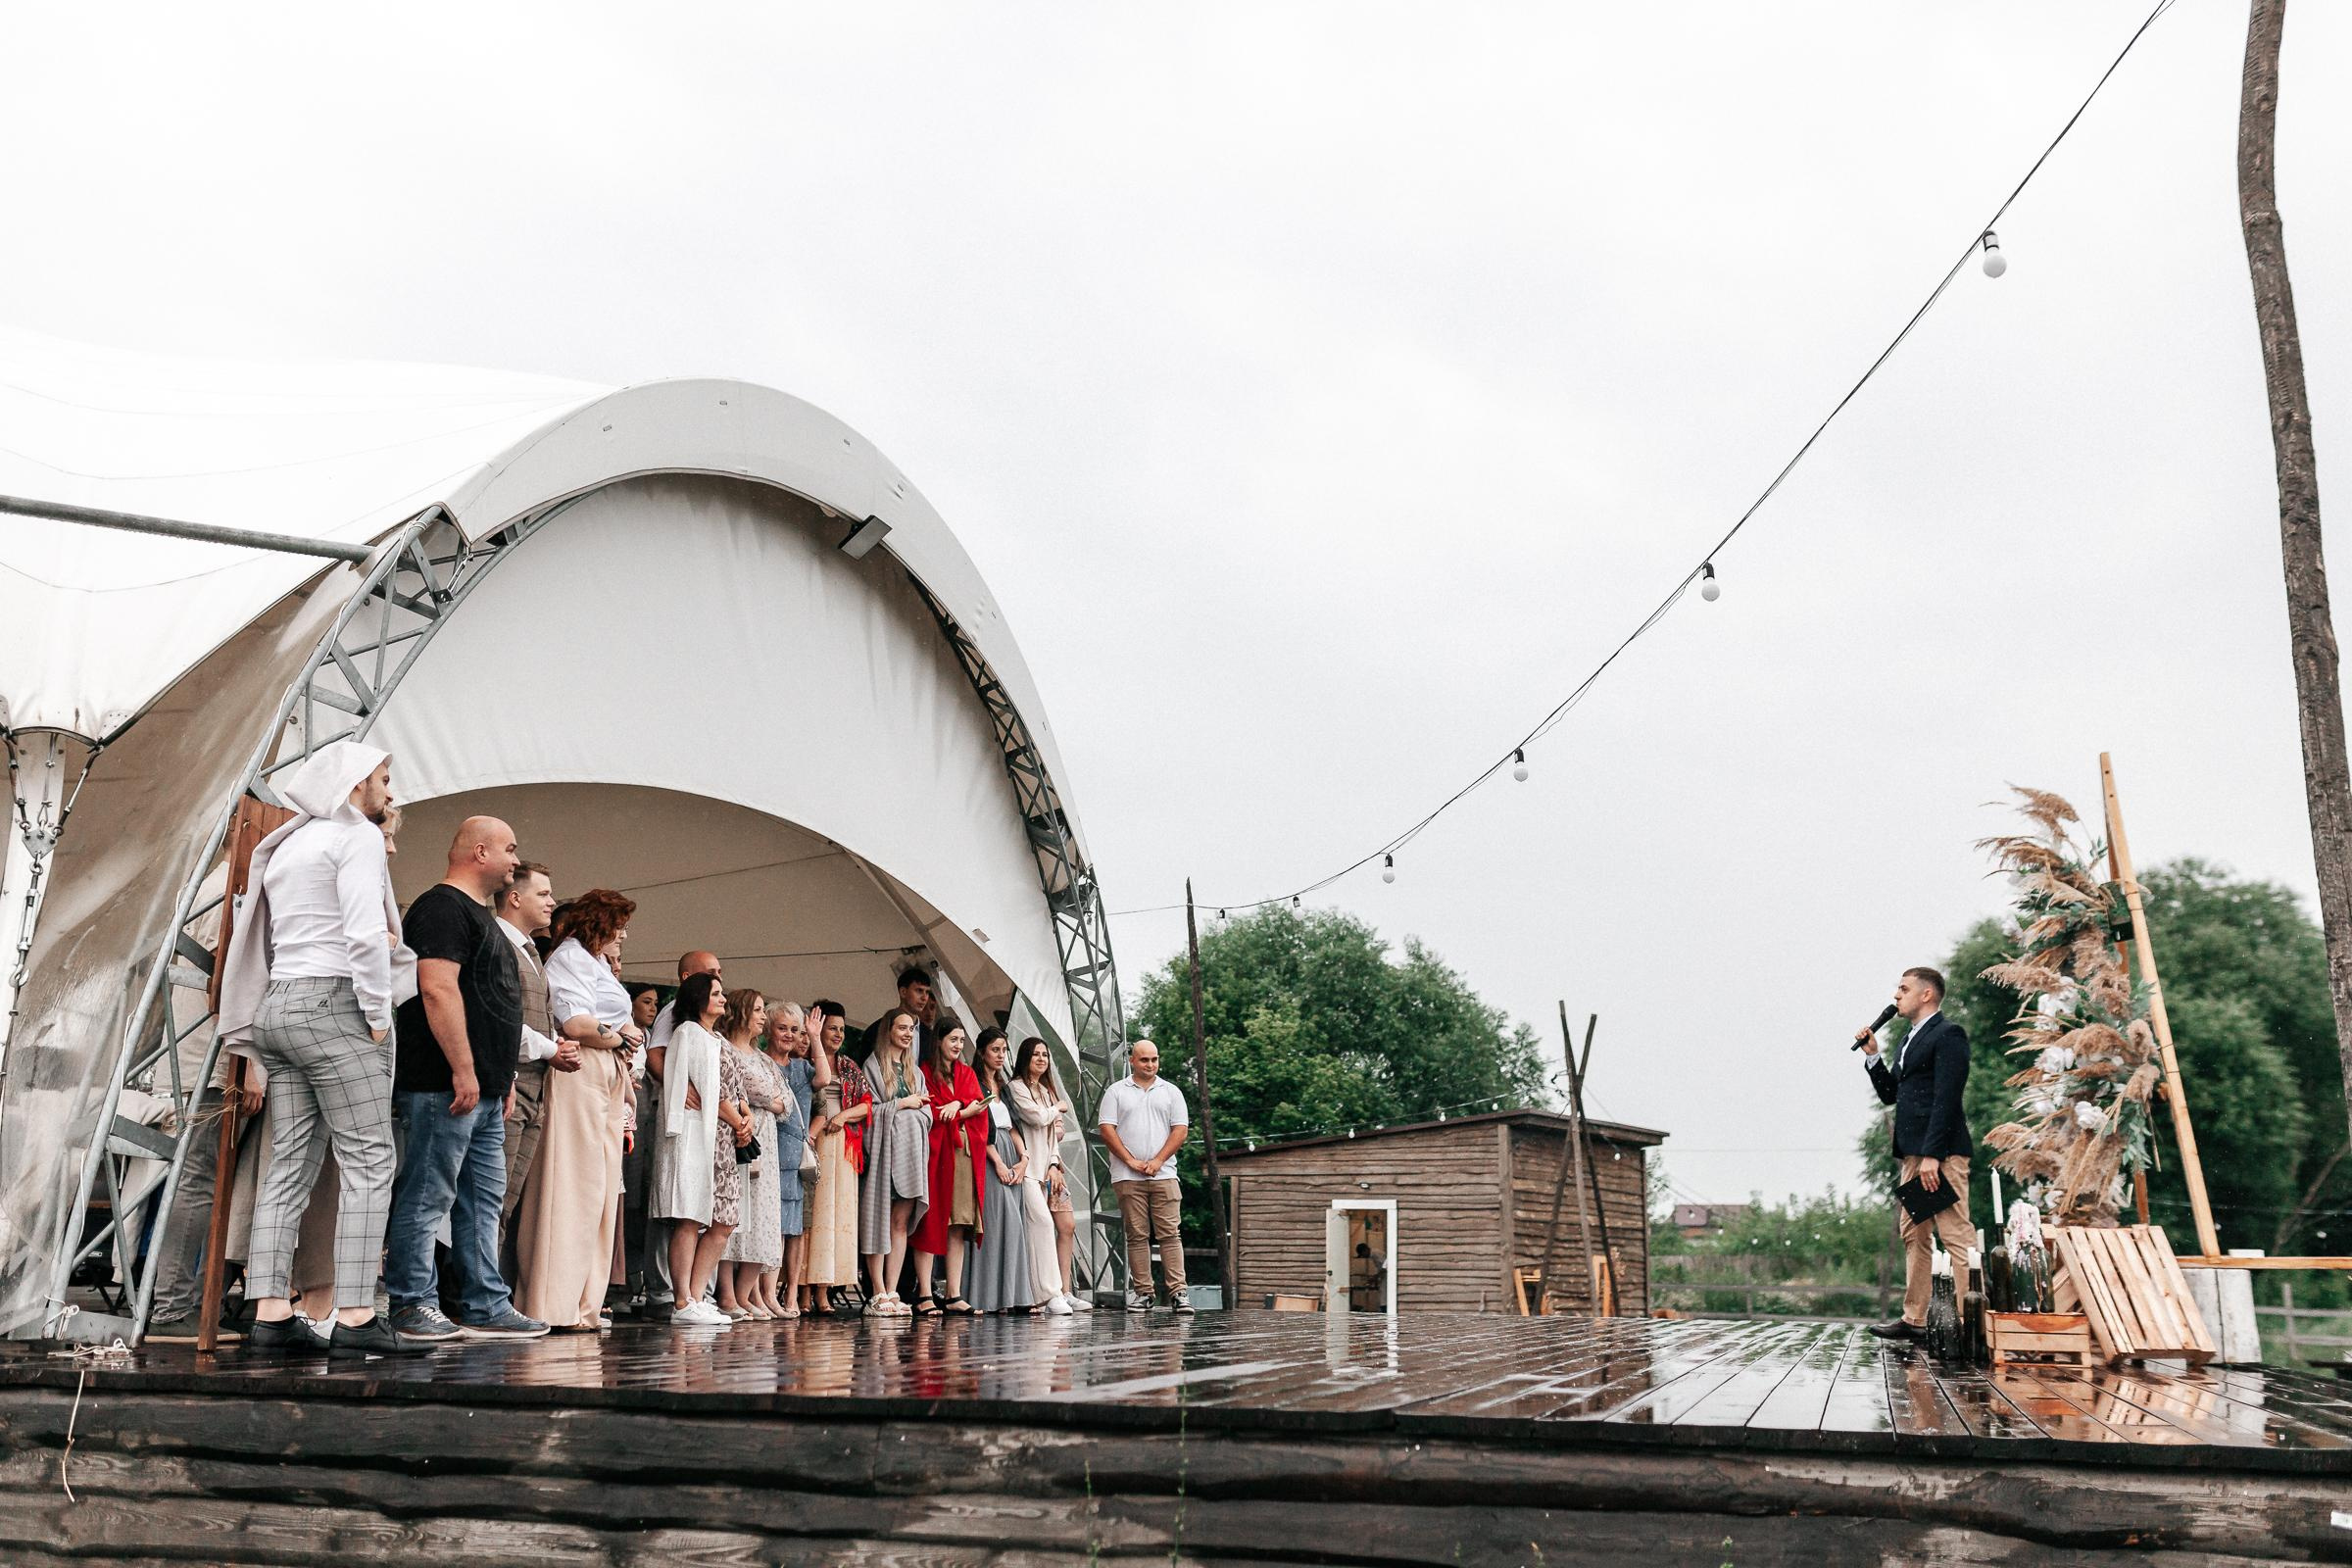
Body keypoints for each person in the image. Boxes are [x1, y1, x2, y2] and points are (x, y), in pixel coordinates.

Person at [215, 741, 425, 1357]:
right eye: (384, 778)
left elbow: (292, 928)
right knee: (369, 1162)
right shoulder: (354, 836)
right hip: (337, 1002)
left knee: (290, 1164)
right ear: (356, 783)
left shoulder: (287, 843)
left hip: (279, 1004)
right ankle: (358, 1316)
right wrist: (376, 1013)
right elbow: (361, 931)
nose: (390, 790)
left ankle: (271, 1313)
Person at [383, 817, 547, 1343]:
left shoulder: (479, 917)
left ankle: (483, 1302)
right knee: (429, 1193)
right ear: (480, 852)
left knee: (482, 1201)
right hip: (442, 1084)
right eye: (510, 849)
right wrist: (463, 1070)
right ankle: (411, 1302)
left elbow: (486, 1003)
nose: (515, 860)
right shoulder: (441, 907)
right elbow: (436, 990)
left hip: (481, 1088)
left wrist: (493, 1083)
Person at [522, 887, 643, 1331]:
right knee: (573, 1183)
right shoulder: (569, 958)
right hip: (581, 1069)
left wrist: (619, 1039)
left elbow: (613, 1022)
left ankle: (585, 1303)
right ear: (599, 924)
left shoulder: (593, 964)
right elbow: (576, 1023)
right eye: (618, 927)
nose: (623, 937)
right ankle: (554, 1301)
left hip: (606, 1071)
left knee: (601, 1188)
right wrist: (620, 1037)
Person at [1859, 966, 1976, 1343]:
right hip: (1913, 1153)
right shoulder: (1908, 1040)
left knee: (1956, 1233)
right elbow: (1893, 1095)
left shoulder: (1948, 1034)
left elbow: (1947, 1097)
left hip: (1940, 1154)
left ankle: (1970, 1322)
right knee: (1914, 1233)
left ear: (1927, 994)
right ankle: (1916, 1319)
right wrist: (1874, 1057)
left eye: (1903, 988)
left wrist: (1933, 1155)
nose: (1896, 995)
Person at [495, 863, 584, 1266]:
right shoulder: (499, 943)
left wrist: (555, 1043)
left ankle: (486, 1293)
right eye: (543, 894)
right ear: (515, 898)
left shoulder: (531, 952)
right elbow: (502, 1018)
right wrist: (552, 1048)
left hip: (536, 1090)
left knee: (507, 1198)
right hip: (509, 1085)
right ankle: (469, 1300)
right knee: (490, 1196)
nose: (552, 902)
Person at [656, 972, 749, 1327]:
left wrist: (743, 1118)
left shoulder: (718, 1039)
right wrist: (736, 1118)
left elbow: (731, 1086)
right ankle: (682, 1299)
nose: (723, 1000)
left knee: (718, 1220)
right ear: (699, 999)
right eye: (716, 994)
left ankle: (697, 1295)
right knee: (690, 1216)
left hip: (721, 1139)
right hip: (696, 1137)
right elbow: (698, 1092)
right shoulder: (688, 1033)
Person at [639, 950, 721, 1318]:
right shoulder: (682, 1026)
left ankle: (692, 1295)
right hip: (683, 1130)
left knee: (695, 1215)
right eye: (713, 982)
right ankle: (679, 1297)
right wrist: (676, 1086)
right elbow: (662, 1059)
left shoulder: (711, 1037)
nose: (722, 992)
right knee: (682, 1213)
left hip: (703, 1131)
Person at [1098, 1040, 1191, 1313]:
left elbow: (1180, 1130)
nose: (1150, 1065)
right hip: (1128, 1175)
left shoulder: (1171, 1091)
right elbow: (1107, 1129)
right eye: (1144, 1060)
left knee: (1170, 1234)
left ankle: (1178, 1292)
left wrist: (1158, 1161)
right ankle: (1144, 1293)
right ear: (1132, 1061)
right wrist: (1130, 1161)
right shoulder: (1116, 1092)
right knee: (1137, 1235)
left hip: (1164, 1174)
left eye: (1154, 1059)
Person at [963, 1027, 1045, 1314]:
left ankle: (1012, 1296)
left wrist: (1024, 1158)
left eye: (1003, 1050)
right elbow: (979, 1129)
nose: (1000, 1055)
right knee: (998, 1223)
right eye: (995, 1049)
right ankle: (987, 1296)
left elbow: (1013, 1127)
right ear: (983, 1051)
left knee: (1015, 1226)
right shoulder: (973, 1081)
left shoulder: (1004, 1087)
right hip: (989, 1154)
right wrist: (997, 1162)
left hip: (1012, 1153)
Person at [858, 1006, 931, 1317]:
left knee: (900, 1223)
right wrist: (902, 1104)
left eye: (911, 1029)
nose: (907, 1034)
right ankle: (876, 1290)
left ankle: (892, 1288)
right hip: (885, 1154)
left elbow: (927, 1111)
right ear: (888, 1029)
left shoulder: (916, 1072)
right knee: (880, 1220)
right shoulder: (873, 1067)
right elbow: (869, 1110)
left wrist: (915, 1111)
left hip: (910, 1156)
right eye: (902, 1028)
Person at [717, 989, 785, 1318]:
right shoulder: (727, 1048)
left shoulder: (762, 1057)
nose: (763, 1016)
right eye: (758, 1010)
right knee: (737, 1211)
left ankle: (746, 1294)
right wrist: (768, 1098)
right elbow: (753, 1090)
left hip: (767, 1139)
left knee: (763, 1216)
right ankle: (728, 1295)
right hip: (739, 1135)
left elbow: (783, 1100)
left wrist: (768, 1098)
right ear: (742, 1013)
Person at [912, 1011, 985, 1315]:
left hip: (964, 1153)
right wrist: (962, 1109)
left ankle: (954, 1293)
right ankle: (925, 1292)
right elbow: (932, 1113)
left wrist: (958, 1105)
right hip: (937, 1152)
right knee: (932, 1220)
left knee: (958, 1223)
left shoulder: (966, 1073)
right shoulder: (924, 1071)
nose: (958, 1045)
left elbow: (980, 1104)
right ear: (939, 1041)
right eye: (953, 1039)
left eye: (961, 1041)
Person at [1007, 1036, 1080, 1312]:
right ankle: (1052, 1294)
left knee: (1054, 1226)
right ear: (1025, 1057)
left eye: (1045, 1055)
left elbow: (1052, 1136)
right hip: (1024, 1168)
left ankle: (1053, 1293)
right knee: (1041, 1225)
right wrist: (1057, 1108)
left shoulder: (1046, 1090)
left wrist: (1053, 1163)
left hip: (1045, 1169)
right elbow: (1035, 1118)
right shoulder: (1016, 1088)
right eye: (1036, 1054)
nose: (1041, 1059)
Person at [804, 1001, 865, 1314]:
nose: (839, 1034)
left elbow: (868, 1105)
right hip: (811, 1142)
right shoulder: (803, 1060)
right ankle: (801, 1290)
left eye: (842, 1029)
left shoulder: (849, 1066)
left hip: (843, 1147)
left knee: (835, 1220)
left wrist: (843, 1117)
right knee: (810, 1219)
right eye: (833, 1028)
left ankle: (824, 1290)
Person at [762, 1001, 815, 1319]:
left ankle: (791, 1292)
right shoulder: (760, 1061)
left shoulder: (802, 1067)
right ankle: (762, 1293)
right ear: (769, 1028)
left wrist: (815, 1037)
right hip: (769, 1152)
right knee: (771, 1226)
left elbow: (823, 1078)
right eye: (783, 1027)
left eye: (794, 1030)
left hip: (797, 1158)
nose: (789, 1034)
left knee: (794, 1230)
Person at [859, 965, 936, 1059]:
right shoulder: (876, 1030)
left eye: (927, 992)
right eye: (919, 991)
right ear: (903, 992)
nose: (924, 998)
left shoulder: (930, 1036)